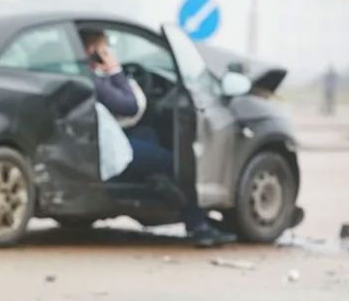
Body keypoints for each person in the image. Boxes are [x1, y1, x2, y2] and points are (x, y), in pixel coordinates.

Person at [81, 29, 236, 247]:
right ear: (92, 51)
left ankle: (155, 183)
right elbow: (129, 105)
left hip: (106, 138)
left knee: (149, 134)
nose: (108, 53)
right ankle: (197, 224)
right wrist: (115, 70)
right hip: (105, 147)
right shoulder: (93, 79)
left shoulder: (87, 75)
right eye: (104, 49)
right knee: (172, 162)